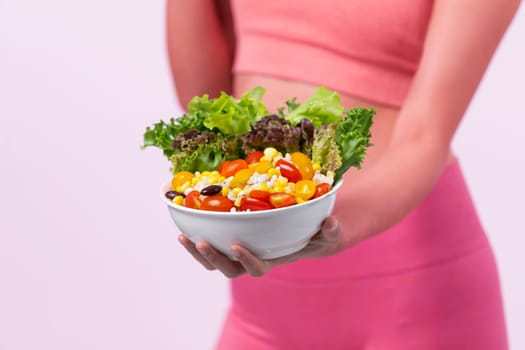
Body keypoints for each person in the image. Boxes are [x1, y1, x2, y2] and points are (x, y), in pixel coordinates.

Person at [166, 0, 519, 348]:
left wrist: (329, 224)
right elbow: (206, 99)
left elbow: (425, 137)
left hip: (412, 295)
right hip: (261, 311)